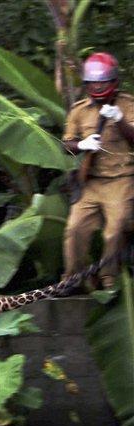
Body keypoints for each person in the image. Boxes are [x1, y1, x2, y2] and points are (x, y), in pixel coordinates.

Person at [62, 52, 134, 290]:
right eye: (92, 82)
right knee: (75, 229)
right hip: (90, 181)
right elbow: (66, 146)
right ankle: (72, 278)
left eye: (102, 82)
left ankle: (108, 277)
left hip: (120, 179)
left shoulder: (127, 104)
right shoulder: (79, 110)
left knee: (115, 230)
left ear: (113, 81)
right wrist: (81, 145)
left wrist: (120, 119)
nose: (97, 86)